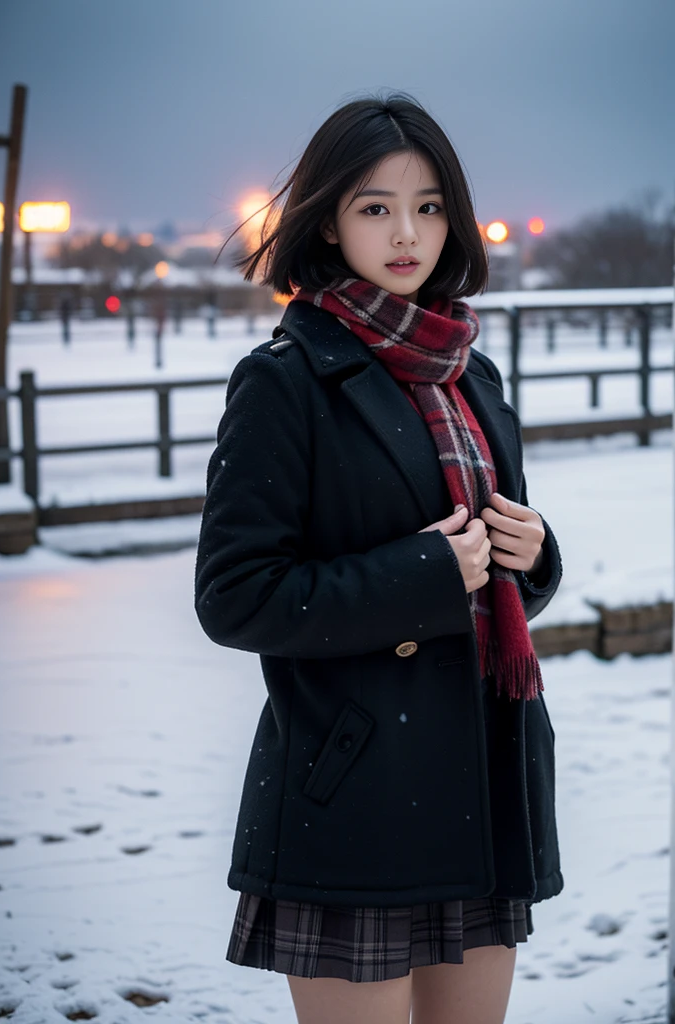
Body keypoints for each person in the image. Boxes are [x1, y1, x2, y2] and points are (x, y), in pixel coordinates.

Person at [194, 91, 563, 1024]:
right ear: (325, 219)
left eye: (430, 204)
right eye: (375, 207)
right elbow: (236, 597)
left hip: (481, 776)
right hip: (356, 790)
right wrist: (424, 577)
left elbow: (495, 576)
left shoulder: (471, 370)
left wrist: (535, 554)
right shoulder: (284, 383)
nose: (408, 232)